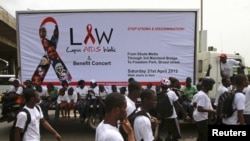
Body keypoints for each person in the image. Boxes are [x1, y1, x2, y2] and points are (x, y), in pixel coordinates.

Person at [192, 77, 216, 141]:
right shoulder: (202, 95)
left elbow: (194, 105)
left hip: (200, 117)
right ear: (207, 85)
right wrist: (212, 111)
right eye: (211, 85)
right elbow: (199, 108)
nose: (212, 87)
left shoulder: (200, 94)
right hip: (201, 118)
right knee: (204, 136)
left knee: (201, 135)